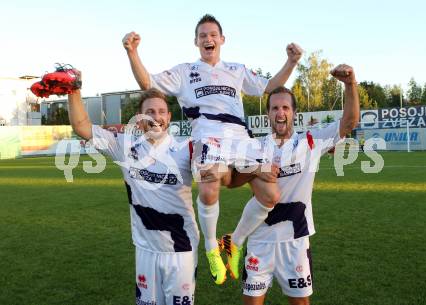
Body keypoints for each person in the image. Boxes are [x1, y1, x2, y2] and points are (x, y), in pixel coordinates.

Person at [122, 14, 303, 284]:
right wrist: (132, 52)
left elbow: (270, 87)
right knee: (208, 186)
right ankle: (210, 247)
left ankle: (234, 241)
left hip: (241, 139)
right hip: (208, 138)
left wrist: (291, 62)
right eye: (203, 35)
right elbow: (147, 83)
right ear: (196, 42)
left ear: (222, 40)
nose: (208, 39)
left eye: (212, 34)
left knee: (271, 193)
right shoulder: (185, 72)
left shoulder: (236, 69)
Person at [229, 65, 359, 305]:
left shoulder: (309, 141)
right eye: (275, 107)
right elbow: (231, 182)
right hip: (260, 241)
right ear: (267, 114)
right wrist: (256, 170)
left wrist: (350, 85)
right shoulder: (254, 147)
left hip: (295, 242)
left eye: (285, 107)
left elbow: (349, 122)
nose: (280, 112)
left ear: (294, 113)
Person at [67, 81, 199, 305]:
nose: (156, 117)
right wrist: (74, 90)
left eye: (161, 112)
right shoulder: (125, 146)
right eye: (149, 112)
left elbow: (221, 181)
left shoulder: (187, 149)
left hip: (181, 250)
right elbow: (82, 126)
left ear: (169, 117)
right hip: (145, 249)